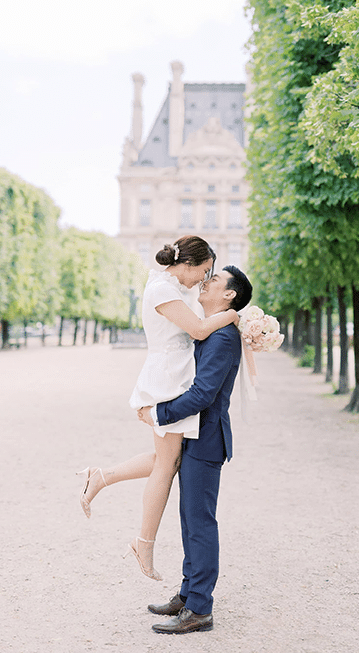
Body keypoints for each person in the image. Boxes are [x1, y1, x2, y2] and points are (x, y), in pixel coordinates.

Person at [77, 236, 239, 581]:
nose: (203, 280)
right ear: (189, 264)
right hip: (168, 379)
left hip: (174, 375)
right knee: (167, 464)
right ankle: (143, 541)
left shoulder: (171, 287)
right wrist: (233, 315)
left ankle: (101, 477)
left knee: (169, 458)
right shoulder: (163, 289)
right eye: (204, 271)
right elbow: (196, 329)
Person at [138, 265, 253, 634]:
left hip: (206, 439)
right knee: (189, 520)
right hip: (193, 435)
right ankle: (189, 594)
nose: (206, 282)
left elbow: (203, 395)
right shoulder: (211, 331)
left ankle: (200, 607)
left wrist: (159, 413)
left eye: (215, 280)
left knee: (200, 522)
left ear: (229, 295)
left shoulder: (221, 338)